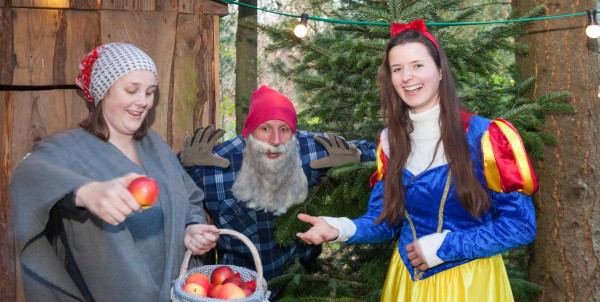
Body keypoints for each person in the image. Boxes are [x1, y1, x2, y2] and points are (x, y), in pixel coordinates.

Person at [295, 19, 539, 301]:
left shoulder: (486, 137)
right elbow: (384, 222)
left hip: (470, 284)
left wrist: (445, 246)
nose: (407, 77)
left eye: (417, 65)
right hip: (406, 284)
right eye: (397, 69)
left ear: (439, 70)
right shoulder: (390, 142)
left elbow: (521, 225)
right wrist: (339, 228)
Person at [9, 42, 219, 302]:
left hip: (179, 292)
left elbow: (189, 197)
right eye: (132, 90)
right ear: (103, 92)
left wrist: (191, 228)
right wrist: (85, 192)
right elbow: (26, 175)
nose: (142, 102)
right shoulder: (68, 147)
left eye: (149, 92)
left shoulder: (155, 146)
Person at [180, 85, 376, 294]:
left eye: (284, 129)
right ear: (249, 132)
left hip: (299, 282)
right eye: (265, 129)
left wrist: (357, 155)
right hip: (240, 286)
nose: (275, 140)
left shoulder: (310, 149)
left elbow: (378, 153)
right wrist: (185, 164)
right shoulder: (214, 165)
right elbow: (171, 190)